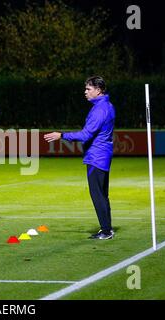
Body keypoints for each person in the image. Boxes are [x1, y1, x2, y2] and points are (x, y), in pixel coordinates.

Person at [44, 76, 115, 240]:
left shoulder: (100, 110)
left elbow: (85, 135)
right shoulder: (107, 106)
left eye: (88, 89)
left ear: (98, 90)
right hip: (102, 155)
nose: (85, 92)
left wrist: (61, 135)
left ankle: (106, 231)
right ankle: (107, 228)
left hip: (96, 157)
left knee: (97, 194)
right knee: (102, 194)